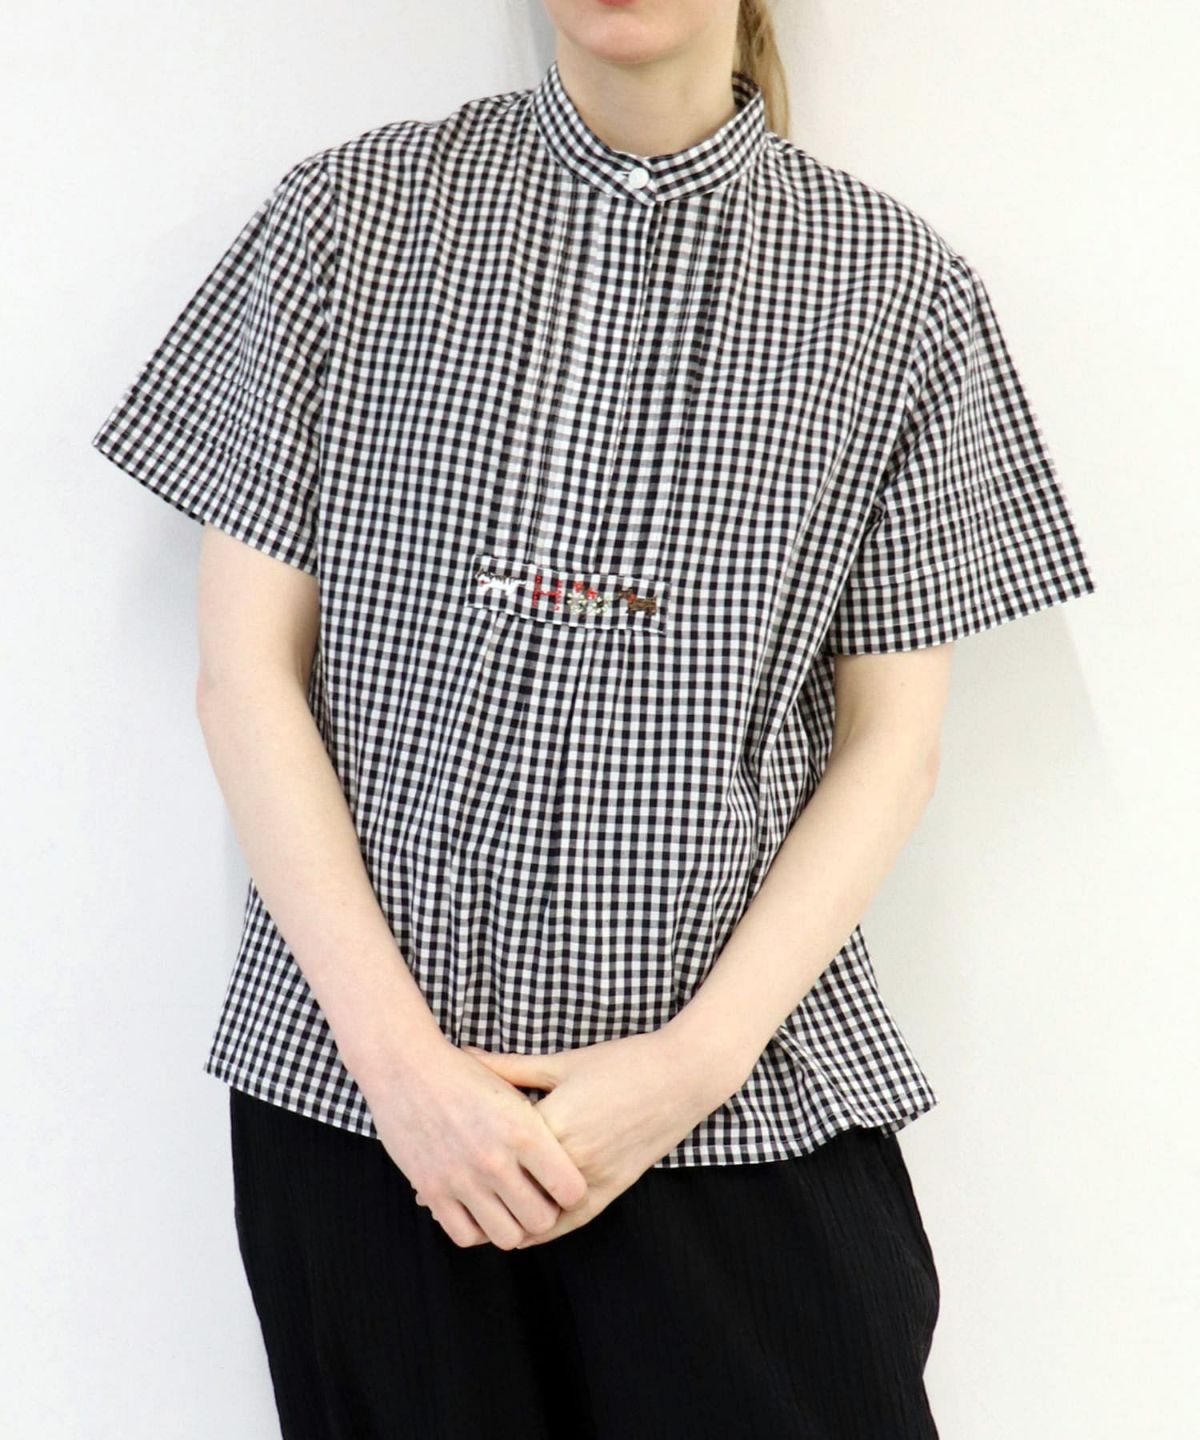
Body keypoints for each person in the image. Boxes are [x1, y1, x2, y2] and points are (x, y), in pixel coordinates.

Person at [90, 3, 1096, 1436]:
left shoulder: (895, 290)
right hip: (368, 1121)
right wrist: (405, 1075)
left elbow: (895, 746)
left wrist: (685, 1072)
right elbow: (245, 675)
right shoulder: (344, 223)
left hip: (744, 1114)